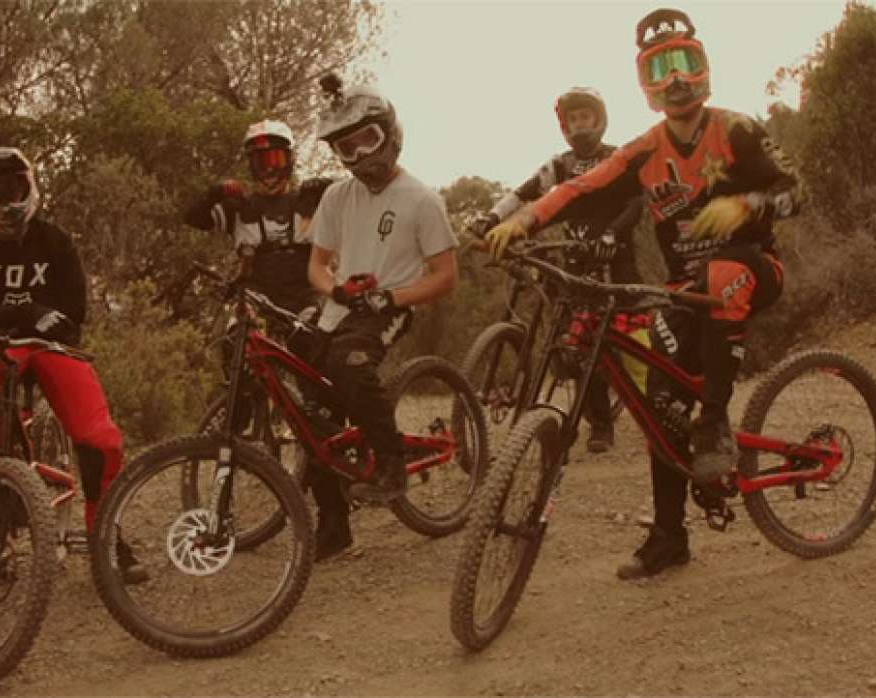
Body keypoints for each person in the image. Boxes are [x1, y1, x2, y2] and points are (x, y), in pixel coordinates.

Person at [485, 8, 805, 579]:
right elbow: (579, 185)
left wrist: (745, 205)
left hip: (757, 267)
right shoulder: (641, 150)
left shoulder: (736, 129)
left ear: (705, 68)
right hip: (687, 290)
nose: (677, 79)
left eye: (687, 62)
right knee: (660, 401)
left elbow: (796, 190)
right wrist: (524, 221)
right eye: (661, 68)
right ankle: (669, 537)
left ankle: (715, 423)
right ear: (645, 84)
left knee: (718, 276)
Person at [0, 146, 147, 584]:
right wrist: (26, 312)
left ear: (29, 185)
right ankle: (0, 520)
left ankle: (106, 535)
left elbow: (74, 313)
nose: (5, 203)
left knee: (101, 440)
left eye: (12, 189)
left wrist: (36, 319)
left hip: (51, 346)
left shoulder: (55, 241)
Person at [305, 73, 459, 560]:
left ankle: (390, 462)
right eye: (346, 149)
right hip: (342, 309)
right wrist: (337, 289)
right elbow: (316, 265)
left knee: (350, 367)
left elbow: (446, 275)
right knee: (309, 412)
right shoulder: (336, 196)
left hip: (390, 309)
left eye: (367, 140)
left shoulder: (421, 199)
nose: (359, 157)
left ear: (391, 133)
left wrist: (393, 300)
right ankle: (333, 525)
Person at [469, 86, 647, 454]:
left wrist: (613, 234)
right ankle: (598, 424)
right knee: (575, 347)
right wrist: (490, 219)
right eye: (574, 119)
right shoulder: (560, 164)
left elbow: (635, 202)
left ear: (600, 121)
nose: (581, 125)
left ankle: (662, 413)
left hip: (617, 262)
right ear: (566, 126)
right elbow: (524, 194)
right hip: (576, 263)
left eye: (587, 117)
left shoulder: (617, 157)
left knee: (634, 347)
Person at [184, 119, 333, 316]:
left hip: (305, 295)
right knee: (236, 336)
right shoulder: (238, 207)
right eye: (261, 163)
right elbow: (194, 219)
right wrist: (214, 195)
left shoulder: (310, 202)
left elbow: (356, 200)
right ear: (251, 167)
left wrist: (328, 188)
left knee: (313, 337)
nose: (269, 170)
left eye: (276, 161)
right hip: (256, 296)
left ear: (289, 161)